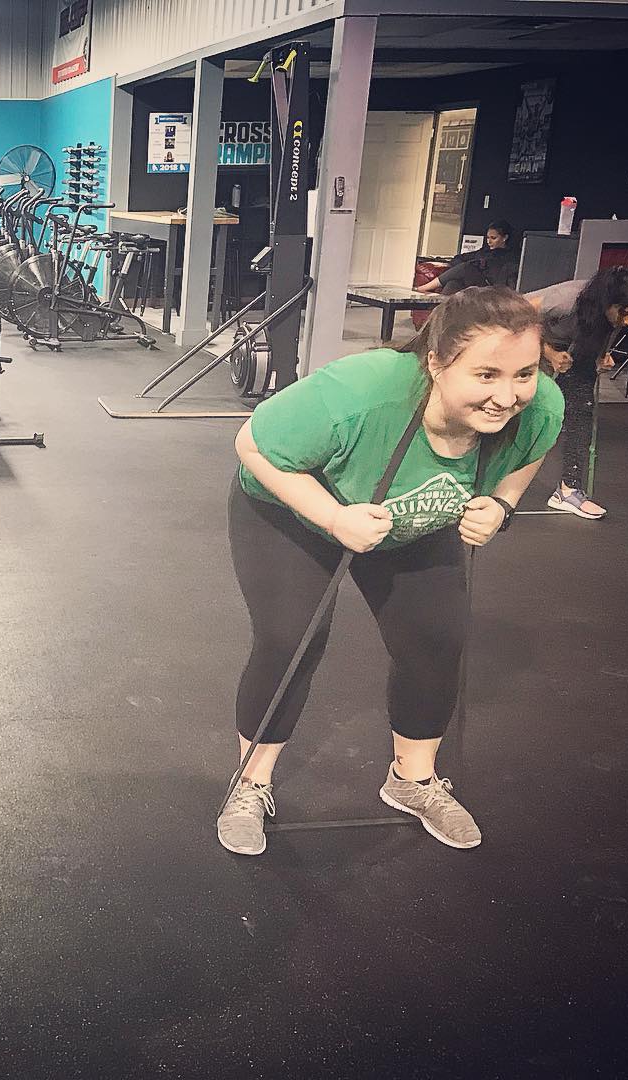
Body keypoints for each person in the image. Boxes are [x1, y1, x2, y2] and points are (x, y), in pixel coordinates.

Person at [218, 286, 564, 856]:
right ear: (437, 363)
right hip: (295, 510)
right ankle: (250, 783)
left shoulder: (540, 405)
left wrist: (502, 504)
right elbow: (252, 444)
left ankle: (412, 781)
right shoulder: (361, 391)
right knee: (291, 640)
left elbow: (531, 451)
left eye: (523, 374)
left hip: (410, 517)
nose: (507, 396)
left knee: (436, 637)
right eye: (486, 375)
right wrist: (334, 517)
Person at [525, 267, 628, 519]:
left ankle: (568, 491)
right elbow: (517, 317)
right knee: (517, 411)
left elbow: (606, 330)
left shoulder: (611, 312)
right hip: (523, 336)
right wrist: (548, 353)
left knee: (581, 410)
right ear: (609, 301)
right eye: (626, 313)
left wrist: (602, 355)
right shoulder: (567, 300)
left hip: (567, 347)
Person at [415, 220, 518, 295]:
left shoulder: (509, 257)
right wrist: (459, 270)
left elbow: (499, 279)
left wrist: (472, 267)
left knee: (467, 267)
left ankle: (424, 288)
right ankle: (440, 314)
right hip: (473, 283)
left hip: (490, 287)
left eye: (493, 238)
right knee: (453, 282)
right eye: (487, 238)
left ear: (504, 238)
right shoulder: (484, 251)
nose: (489, 241)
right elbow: (459, 258)